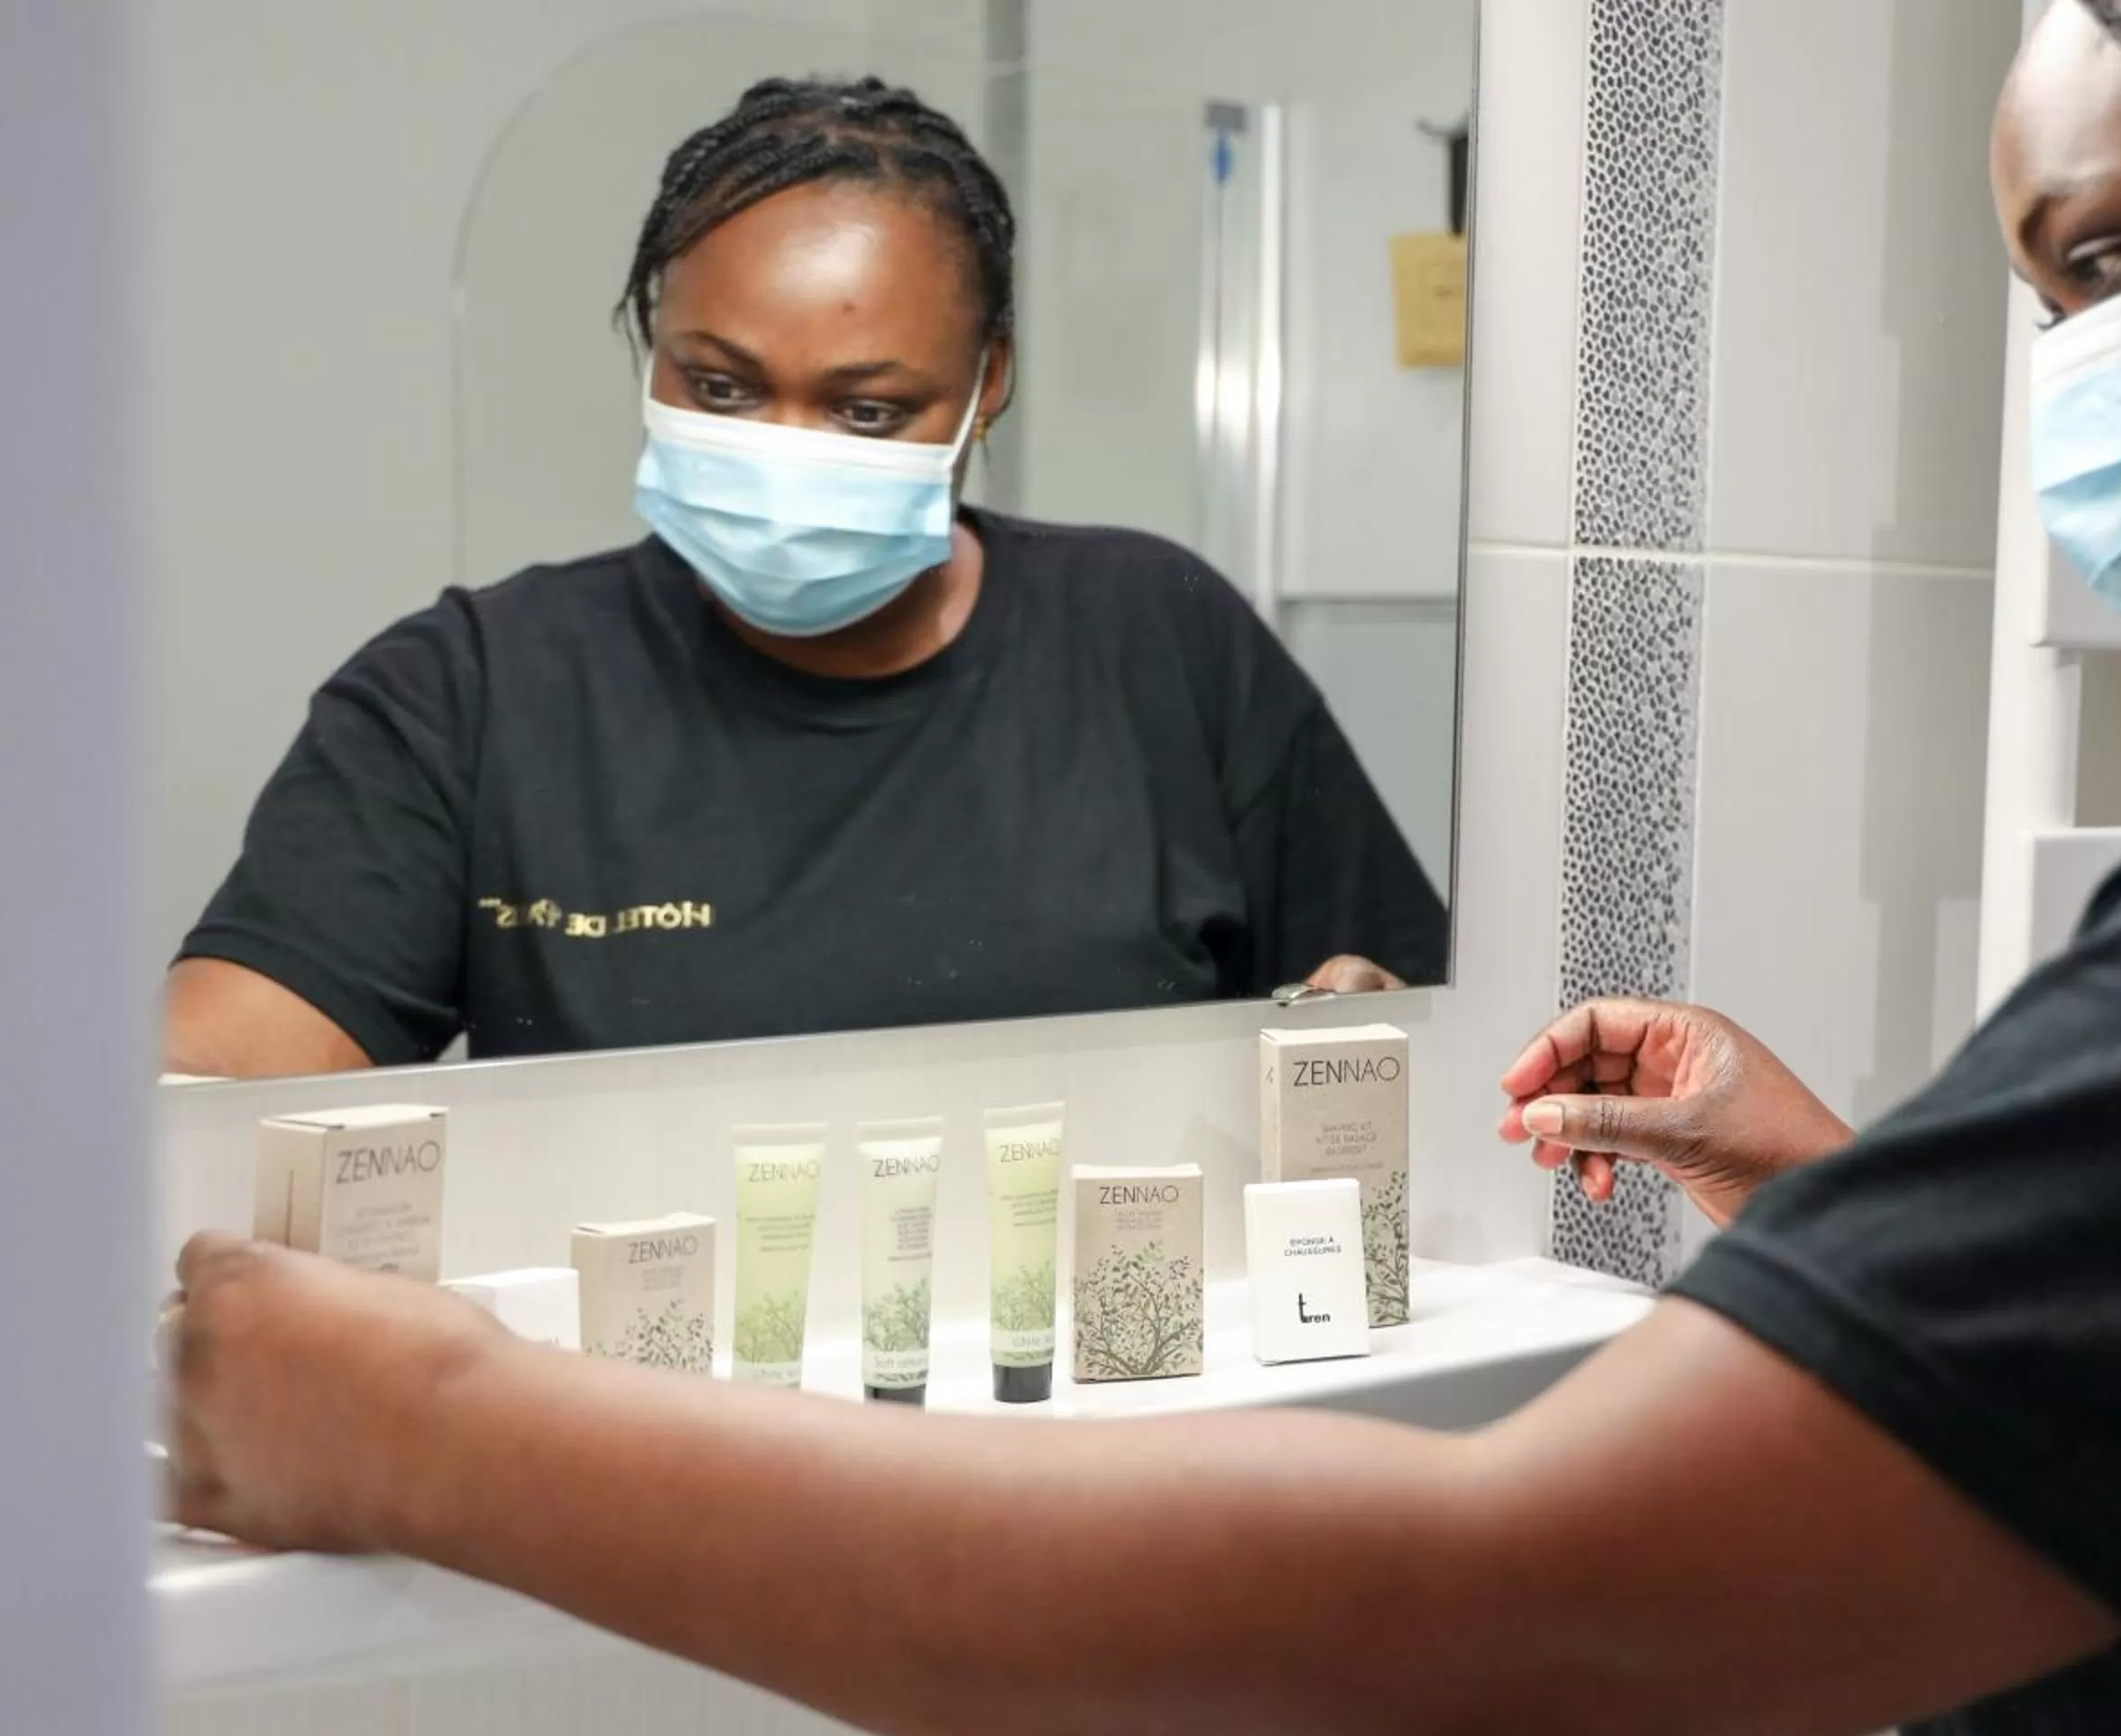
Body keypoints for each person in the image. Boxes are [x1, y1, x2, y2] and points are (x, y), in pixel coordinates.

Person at [161, 4, 2121, 1736]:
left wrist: (432, 1435)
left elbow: (1526, 1631)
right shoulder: (477, 688)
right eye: (717, 386)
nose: (2077, 393)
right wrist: (1881, 1223)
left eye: (2111, 259)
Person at [163, 77, 1447, 1080]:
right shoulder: (474, 692)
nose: (781, 455)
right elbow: (221, 1076)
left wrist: (1374, 1060)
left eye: (869, 410)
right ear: (649, 350)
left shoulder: (1157, 642)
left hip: (1093, 1392)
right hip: (642, 1403)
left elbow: (1409, 1026)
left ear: (987, 384)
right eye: (718, 388)